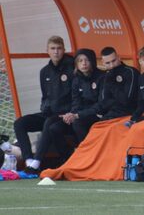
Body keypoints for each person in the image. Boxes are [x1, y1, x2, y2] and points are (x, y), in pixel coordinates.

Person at [14, 36, 74, 173]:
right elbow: (45, 96)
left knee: (49, 123)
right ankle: (28, 159)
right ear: (47, 50)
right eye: (53, 48)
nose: (56, 52)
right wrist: (45, 107)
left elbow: (76, 97)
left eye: (59, 48)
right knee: (19, 123)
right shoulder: (44, 72)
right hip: (49, 113)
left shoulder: (72, 68)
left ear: (64, 50)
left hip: (64, 115)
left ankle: (37, 162)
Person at [61, 48, 105, 144]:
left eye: (87, 60)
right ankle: (69, 155)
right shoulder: (76, 80)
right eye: (80, 61)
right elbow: (76, 102)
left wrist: (77, 115)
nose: (84, 63)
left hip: (99, 114)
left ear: (92, 61)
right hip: (81, 114)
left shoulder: (102, 77)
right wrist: (71, 114)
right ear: (76, 64)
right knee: (54, 126)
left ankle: (88, 151)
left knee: (78, 123)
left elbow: (101, 105)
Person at [98, 47, 139, 119]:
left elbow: (127, 101)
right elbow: (103, 100)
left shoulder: (131, 72)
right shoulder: (105, 75)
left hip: (129, 113)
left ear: (119, 58)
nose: (112, 65)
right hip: (109, 113)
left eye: (114, 61)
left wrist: (111, 84)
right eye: (108, 63)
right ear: (103, 63)